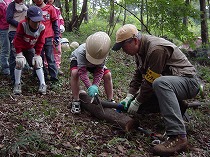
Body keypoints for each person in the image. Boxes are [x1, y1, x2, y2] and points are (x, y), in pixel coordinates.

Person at [112, 24, 200, 156]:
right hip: (171, 83)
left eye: (124, 46)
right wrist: (130, 96)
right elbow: (138, 75)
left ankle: (178, 136)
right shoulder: (139, 50)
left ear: (135, 40)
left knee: (159, 84)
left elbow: (151, 80)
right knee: (140, 104)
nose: (123, 50)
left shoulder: (156, 49)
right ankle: (179, 105)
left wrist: (138, 100)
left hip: (189, 82)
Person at [70, 31, 114, 114]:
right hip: (78, 61)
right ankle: (76, 100)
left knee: (107, 75)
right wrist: (89, 87)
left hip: (95, 65)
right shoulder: (81, 51)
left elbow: (99, 71)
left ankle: (110, 101)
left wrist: (95, 85)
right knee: (75, 73)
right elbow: (82, 72)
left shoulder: (103, 54)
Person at [12, 6, 47, 95]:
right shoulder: (22, 24)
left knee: (37, 62)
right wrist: (19, 53)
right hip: (18, 46)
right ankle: (17, 83)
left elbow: (40, 41)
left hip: (30, 47)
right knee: (19, 62)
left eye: (39, 21)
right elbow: (18, 39)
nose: (37, 24)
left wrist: (37, 54)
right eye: (34, 21)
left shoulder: (42, 27)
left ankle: (43, 84)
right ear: (27, 19)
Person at [33, 0, 59, 82]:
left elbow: (55, 24)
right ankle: (41, 76)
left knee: (50, 57)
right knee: (38, 57)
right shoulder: (33, 9)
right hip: (36, 38)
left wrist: (56, 36)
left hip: (48, 37)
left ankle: (54, 77)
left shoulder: (50, 8)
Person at [6, 0, 28, 84]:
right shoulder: (12, 5)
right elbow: (8, 18)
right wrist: (20, 25)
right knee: (14, 54)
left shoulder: (25, 5)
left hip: (24, 32)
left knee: (22, 53)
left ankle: (20, 74)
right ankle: (14, 78)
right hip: (14, 32)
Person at [44, 0, 65, 75]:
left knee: (57, 50)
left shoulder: (57, 9)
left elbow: (60, 19)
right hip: (47, 34)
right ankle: (47, 66)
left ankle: (57, 67)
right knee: (47, 51)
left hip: (56, 34)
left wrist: (62, 25)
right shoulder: (43, 8)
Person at [0, 0, 12, 75]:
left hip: (13, 28)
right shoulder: (1, 3)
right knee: (6, 49)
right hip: (4, 29)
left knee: (15, 47)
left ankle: (18, 64)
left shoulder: (12, 1)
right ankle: (5, 67)